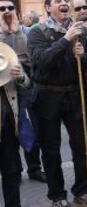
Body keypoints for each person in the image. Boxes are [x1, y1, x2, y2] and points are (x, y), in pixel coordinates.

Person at [27, 0, 87, 207]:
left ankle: (82, 190)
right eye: (58, 1)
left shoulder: (82, 32)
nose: (64, 3)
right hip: (46, 95)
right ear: (48, 8)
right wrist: (65, 41)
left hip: (75, 93)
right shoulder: (37, 32)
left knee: (81, 145)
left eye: (66, 0)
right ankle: (57, 195)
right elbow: (41, 61)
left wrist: (82, 56)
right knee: (50, 148)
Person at [0, 0, 47, 184]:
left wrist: (16, 32)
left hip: (26, 84)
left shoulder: (26, 31)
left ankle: (34, 168)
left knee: (31, 128)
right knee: (9, 130)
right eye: (1, 8)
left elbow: (30, 56)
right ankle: (15, 170)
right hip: (4, 91)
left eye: (10, 7)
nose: (6, 11)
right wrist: (4, 34)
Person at [0, 42, 31, 207]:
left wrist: (20, 76)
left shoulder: (6, 53)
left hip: (8, 126)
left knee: (11, 174)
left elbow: (27, 83)